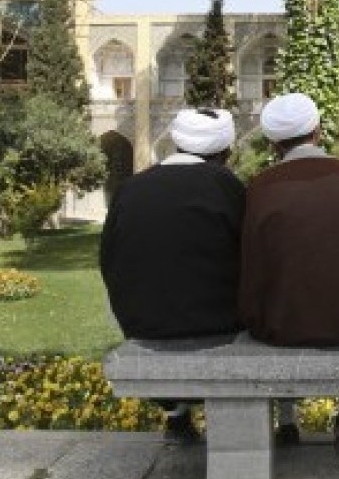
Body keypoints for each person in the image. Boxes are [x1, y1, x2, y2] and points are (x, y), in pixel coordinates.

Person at [238, 92, 339, 457]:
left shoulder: (260, 187)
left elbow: (254, 266)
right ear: (318, 131)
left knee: (285, 301)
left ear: (273, 142)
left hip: (283, 324)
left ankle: (287, 421)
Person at [99, 107, 245, 442]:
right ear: (225, 152)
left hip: (142, 321)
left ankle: (176, 414)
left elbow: (109, 259)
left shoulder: (131, 189)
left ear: (177, 144)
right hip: (217, 324)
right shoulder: (226, 187)